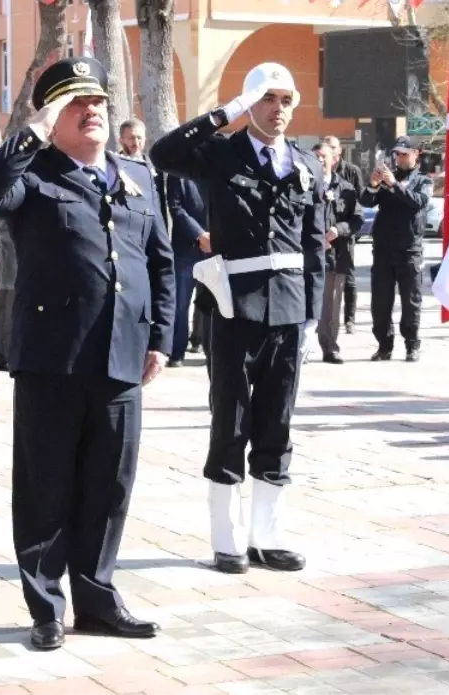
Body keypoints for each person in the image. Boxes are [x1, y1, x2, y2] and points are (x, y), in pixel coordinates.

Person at [0, 56, 174, 651]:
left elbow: (159, 261)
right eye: (75, 105)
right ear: (53, 117)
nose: (92, 112)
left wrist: (160, 336)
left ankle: (99, 598)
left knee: (109, 485)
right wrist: (32, 131)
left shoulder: (135, 176)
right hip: (52, 356)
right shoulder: (32, 174)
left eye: (99, 103)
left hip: (122, 354)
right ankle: (46, 605)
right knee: (46, 484)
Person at [150, 61, 324, 576]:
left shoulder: (306, 163)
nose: (278, 110)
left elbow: (314, 243)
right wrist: (226, 114)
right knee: (231, 420)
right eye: (268, 99)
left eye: (285, 100)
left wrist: (311, 316)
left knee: (278, 423)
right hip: (234, 305)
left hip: (289, 310)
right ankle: (226, 541)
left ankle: (266, 537)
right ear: (251, 103)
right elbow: (164, 154)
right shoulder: (221, 155)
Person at [359, 137, 432, 362]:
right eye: (397, 154)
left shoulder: (423, 180)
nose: (400, 158)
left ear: (415, 154)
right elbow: (366, 201)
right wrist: (373, 185)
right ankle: (384, 345)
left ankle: (412, 345)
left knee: (410, 301)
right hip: (383, 250)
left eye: (404, 154)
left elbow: (418, 202)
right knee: (380, 302)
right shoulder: (387, 178)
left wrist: (394, 186)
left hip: (409, 250)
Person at [315, 143, 363, 364]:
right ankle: (298, 347)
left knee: (331, 305)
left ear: (334, 159)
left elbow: (357, 220)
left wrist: (338, 230)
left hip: (335, 255)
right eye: (315, 156)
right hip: (307, 254)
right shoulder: (301, 185)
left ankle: (330, 347)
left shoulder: (346, 189)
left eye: (323, 156)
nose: (318, 159)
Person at [166, 174, 209, 367]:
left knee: (211, 303)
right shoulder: (177, 174)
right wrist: (199, 234)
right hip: (186, 249)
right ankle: (177, 352)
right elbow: (176, 208)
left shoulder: (216, 168)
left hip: (214, 248)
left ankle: (209, 347)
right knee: (180, 304)